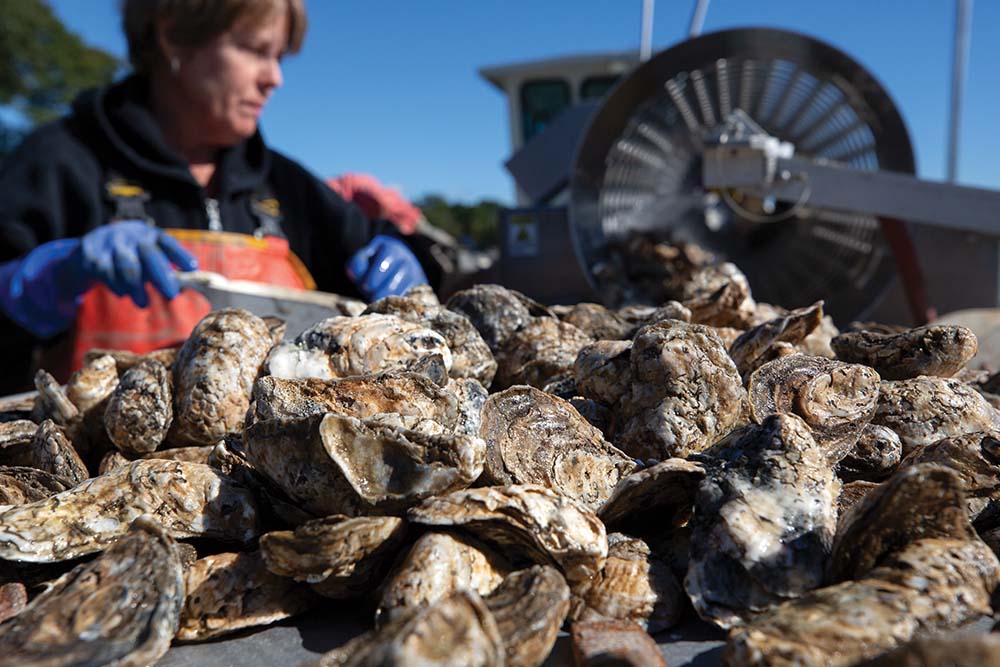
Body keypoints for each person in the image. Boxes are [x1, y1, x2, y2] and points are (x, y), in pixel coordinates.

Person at [0, 0, 428, 393]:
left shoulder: (287, 185)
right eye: (255, 50)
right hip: (90, 467)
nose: (274, 78)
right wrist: (49, 277)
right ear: (173, 35)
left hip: (254, 468)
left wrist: (404, 262)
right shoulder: (61, 161)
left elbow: (389, 270)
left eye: (279, 57)